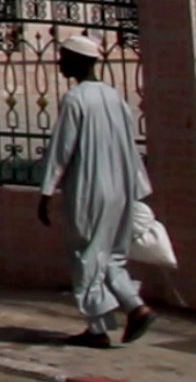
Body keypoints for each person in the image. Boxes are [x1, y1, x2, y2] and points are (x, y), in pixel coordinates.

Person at [38, 34, 155, 348]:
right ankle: (135, 307)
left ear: (78, 60)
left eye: (64, 57)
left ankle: (97, 328)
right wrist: (139, 187)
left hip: (89, 189)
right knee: (111, 256)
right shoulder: (114, 96)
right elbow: (129, 144)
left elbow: (62, 149)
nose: (60, 62)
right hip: (121, 187)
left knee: (86, 255)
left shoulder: (76, 99)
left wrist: (46, 190)